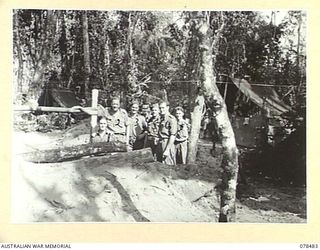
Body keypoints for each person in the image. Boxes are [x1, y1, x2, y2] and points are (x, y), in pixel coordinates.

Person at [157, 100, 178, 165]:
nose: (161, 110)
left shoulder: (171, 119)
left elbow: (173, 135)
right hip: (160, 143)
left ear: (167, 107)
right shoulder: (162, 118)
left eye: (163, 108)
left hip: (167, 144)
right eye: (160, 108)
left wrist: (167, 149)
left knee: (168, 166)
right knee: (159, 165)